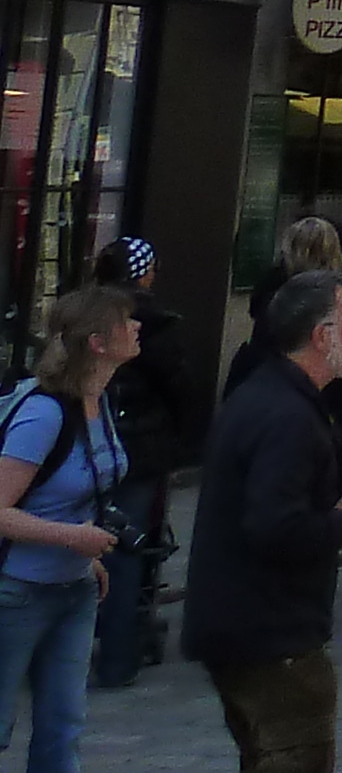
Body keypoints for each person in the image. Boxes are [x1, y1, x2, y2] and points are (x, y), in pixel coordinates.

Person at [155, 269, 342, 773]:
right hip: (267, 627)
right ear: (320, 333)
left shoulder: (272, 395)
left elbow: (265, 506)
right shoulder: (286, 411)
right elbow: (272, 526)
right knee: (296, 766)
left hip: (244, 617)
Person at [0, 282, 140, 773]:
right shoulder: (43, 413)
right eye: (128, 323)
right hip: (16, 592)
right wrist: (70, 537)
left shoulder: (100, 401)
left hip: (74, 591)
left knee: (62, 734)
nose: (139, 330)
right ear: (99, 342)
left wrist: (85, 552)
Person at [87, 236, 185, 691]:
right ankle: (118, 657)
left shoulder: (81, 313)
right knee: (126, 551)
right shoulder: (153, 325)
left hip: (86, 442)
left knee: (77, 543)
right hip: (138, 448)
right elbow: (178, 388)